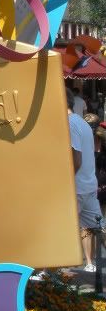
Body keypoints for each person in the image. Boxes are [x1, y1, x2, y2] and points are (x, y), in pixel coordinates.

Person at [67, 87, 104, 273]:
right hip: (89, 184)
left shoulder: (69, 123)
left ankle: (47, 272)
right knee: (96, 227)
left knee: (61, 227)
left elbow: (77, 158)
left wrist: (65, 182)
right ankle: (89, 264)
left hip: (77, 186)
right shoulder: (82, 123)